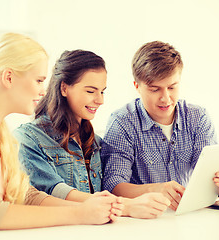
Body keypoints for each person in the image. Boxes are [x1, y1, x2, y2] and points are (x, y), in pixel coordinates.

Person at [0, 33, 124, 233]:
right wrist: (80, 214)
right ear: (9, 77)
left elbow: (27, 195)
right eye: (39, 80)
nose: (44, 91)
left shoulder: (3, 134)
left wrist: (89, 207)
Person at [14, 49, 170, 219]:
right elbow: (53, 191)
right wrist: (124, 206)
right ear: (64, 88)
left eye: (102, 91)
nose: (100, 100)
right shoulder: (28, 138)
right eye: (90, 91)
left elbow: (113, 185)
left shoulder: (96, 143)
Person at [101, 40, 219, 211]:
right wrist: (154, 189)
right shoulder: (122, 122)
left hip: (189, 215)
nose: (166, 98)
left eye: (172, 87)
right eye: (155, 89)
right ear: (137, 86)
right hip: (143, 222)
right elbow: (112, 185)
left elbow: (207, 179)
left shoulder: (198, 117)